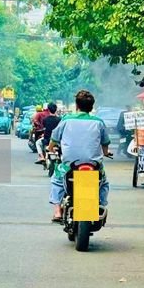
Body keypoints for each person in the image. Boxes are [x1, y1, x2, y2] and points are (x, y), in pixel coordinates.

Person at [49, 89, 112, 222]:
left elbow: (54, 138)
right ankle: (100, 204)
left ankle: (57, 211)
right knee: (103, 182)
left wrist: (50, 148)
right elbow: (105, 143)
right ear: (92, 107)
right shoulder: (99, 122)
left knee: (57, 180)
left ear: (77, 106)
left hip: (69, 165)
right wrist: (106, 152)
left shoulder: (66, 120)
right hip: (93, 165)